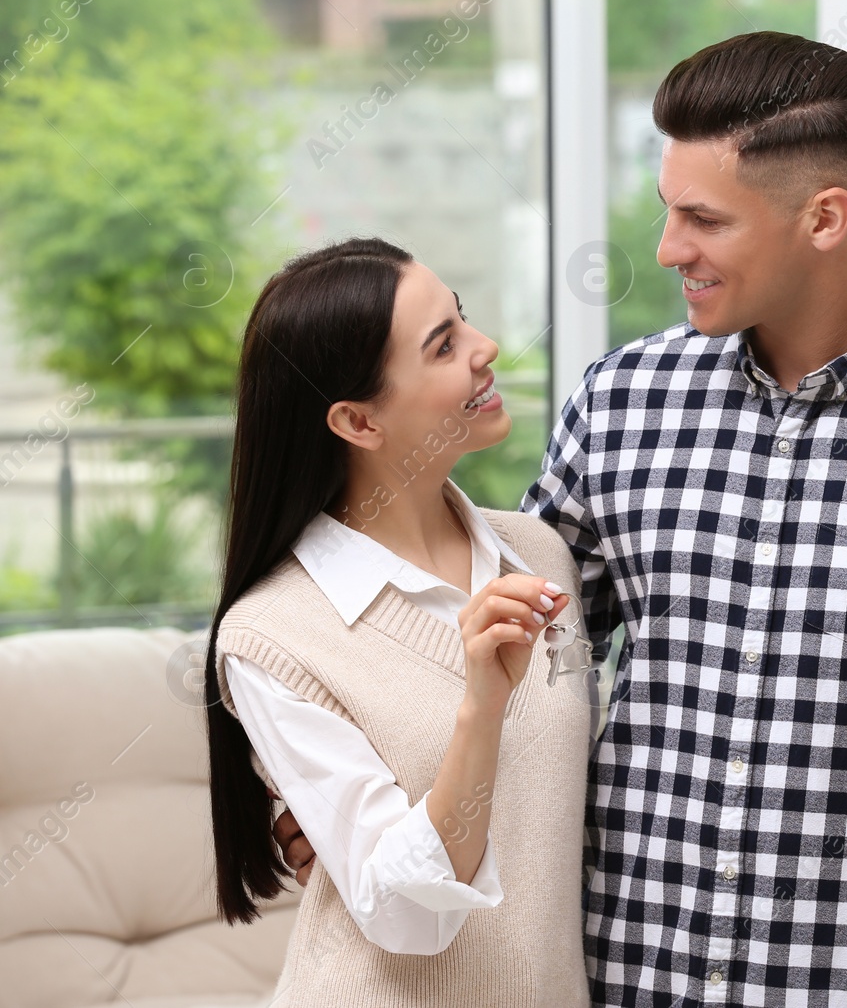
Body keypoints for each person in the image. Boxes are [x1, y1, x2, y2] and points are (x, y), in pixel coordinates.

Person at [280, 31, 847, 1007]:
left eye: (704, 219)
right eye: (668, 209)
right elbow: (511, 653)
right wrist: (345, 786)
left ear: (825, 217)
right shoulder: (623, 401)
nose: (667, 249)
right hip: (624, 982)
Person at [204, 237, 591, 1006]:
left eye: (464, 321)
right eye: (443, 345)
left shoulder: (536, 552)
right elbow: (407, 915)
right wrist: (481, 703)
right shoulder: (272, 636)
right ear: (358, 420)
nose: (486, 350)